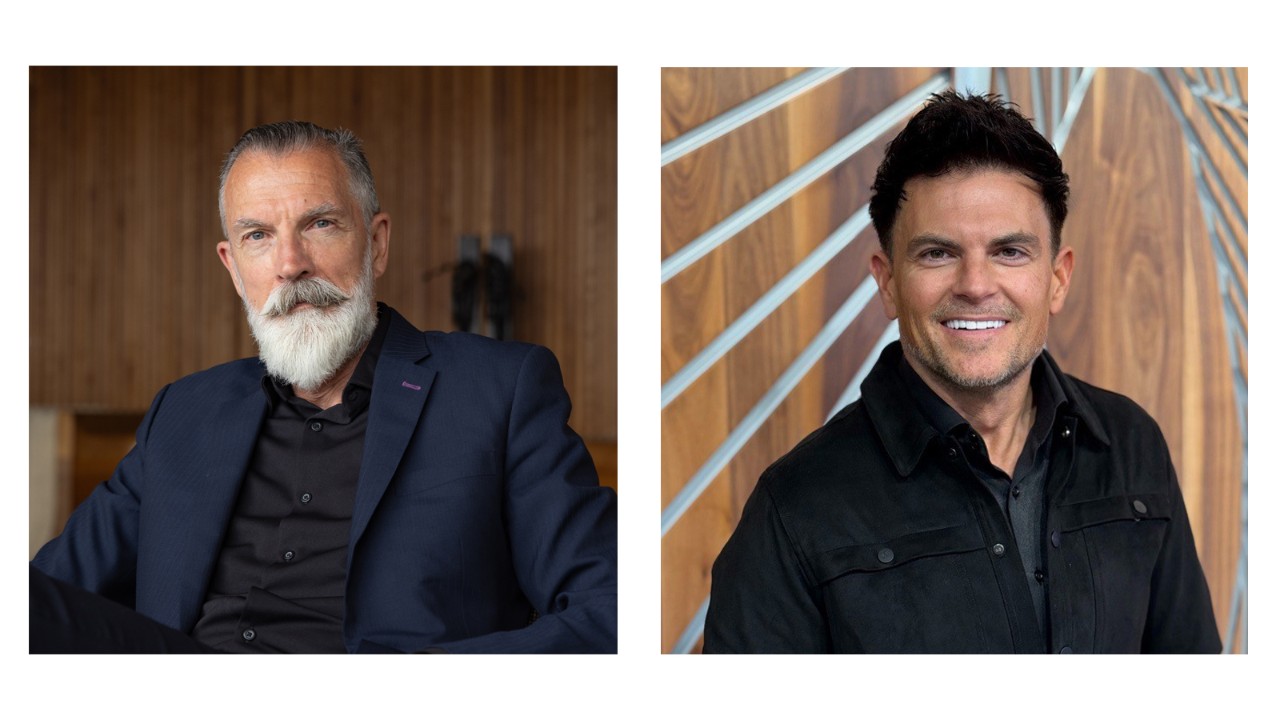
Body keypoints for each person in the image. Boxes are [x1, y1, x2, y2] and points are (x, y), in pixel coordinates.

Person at [30, 120, 617, 654]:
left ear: (377, 243)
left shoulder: (498, 390)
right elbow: (51, 597)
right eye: (258, 236)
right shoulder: (184, 411)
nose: (291, 264)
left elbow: (608, 609)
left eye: (320, 224)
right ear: (233, 268)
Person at [702, 91, 1220, 654]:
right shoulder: (793, 509)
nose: (975, 285)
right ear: (888, 283)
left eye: (1010, 252)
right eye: (938, 254)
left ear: (1058, 278)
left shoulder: (1132, 447)